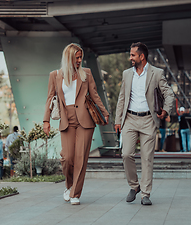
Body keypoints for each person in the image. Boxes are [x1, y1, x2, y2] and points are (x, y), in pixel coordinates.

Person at [43, 43, 109, 205]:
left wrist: (105, 112)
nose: (79, 60)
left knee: (81, 158)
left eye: (81, 57)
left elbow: (94, 95)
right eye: (76, 57)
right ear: (68, 58)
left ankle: (75, 193)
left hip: (85, 120)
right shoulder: (55, 75)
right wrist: (46, 120)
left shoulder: (86, 73)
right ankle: (69, 185)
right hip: (67, 120)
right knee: (67, 157)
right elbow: (49, 98)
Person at [115, 42, 174, 205]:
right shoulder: (127, 74)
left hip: (149, 120)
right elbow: (122, 98)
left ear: (142, 56)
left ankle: (145, 194)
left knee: (147, 158)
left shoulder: (156, 73)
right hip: (130, 120)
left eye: (133, 55)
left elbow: (169, 94)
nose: (130, 58)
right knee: (126, 154)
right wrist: (117, 120)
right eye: (130, 54)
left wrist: (166, 110)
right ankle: (134, 186)